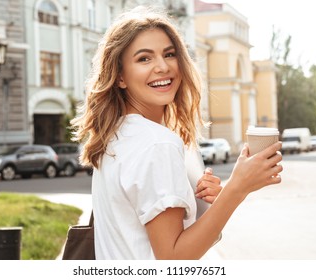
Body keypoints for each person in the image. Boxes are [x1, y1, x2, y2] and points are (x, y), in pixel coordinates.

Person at [71, 6, 283, 260]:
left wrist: (203, 202)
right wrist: (238, 188)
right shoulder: (156, 143)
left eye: (169, 54)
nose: (163, 67)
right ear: (120, 77)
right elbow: (173, 260)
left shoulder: (115, 136)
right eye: (144, 58)